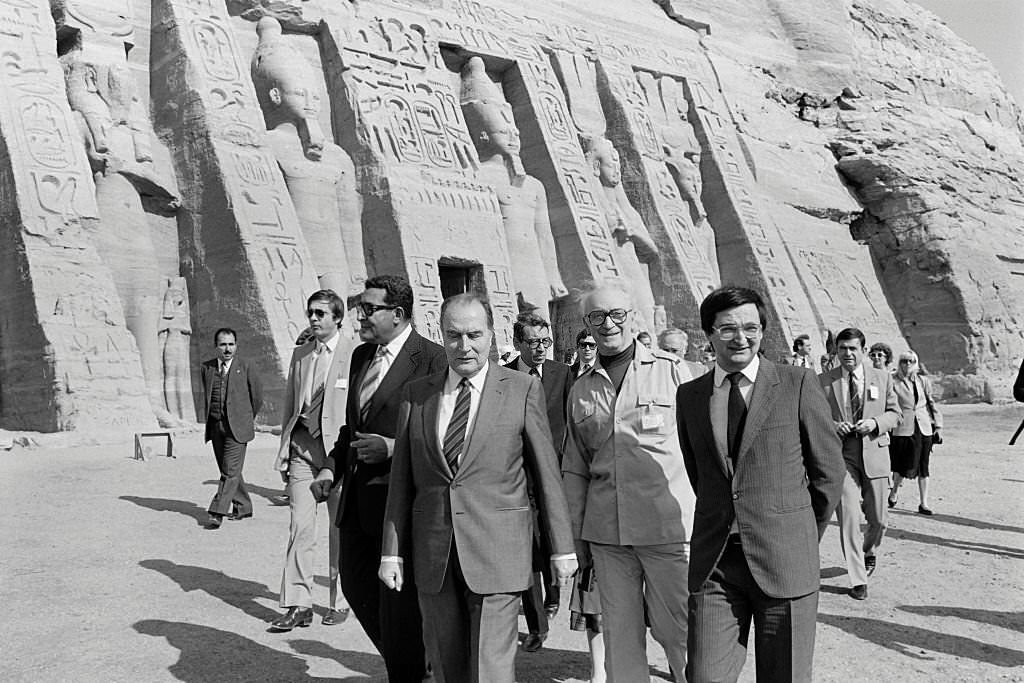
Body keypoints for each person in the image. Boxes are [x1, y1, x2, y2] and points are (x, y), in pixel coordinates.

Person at [379, 292, 577, 683]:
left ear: (491, 334)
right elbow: (402, 480)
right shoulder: (418, 394)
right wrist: (391, 552)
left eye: (474, 334)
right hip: (435, 554)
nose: (464, 346)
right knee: (448, 666)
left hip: (499, 550)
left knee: (491, 669)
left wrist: (562, 547)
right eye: (453, 335)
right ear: (441, 334)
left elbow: (546, 474)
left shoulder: (521, 389)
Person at [676, 286, 845, 682]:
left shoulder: (797, 384)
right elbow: (700, 474)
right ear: (709, 333)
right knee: (704, 676)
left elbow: (828, 474)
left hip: (784, 559)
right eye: (728, 329)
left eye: (751, 328)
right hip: (717, 563)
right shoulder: (690, 396)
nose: (741, 338)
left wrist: (798, 531)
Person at [312, 275, 446, 679]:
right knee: (354, 586)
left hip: (399, 504)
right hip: (356, 502)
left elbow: (443, 432)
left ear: (399, 314)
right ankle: (415, 663)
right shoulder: (360, 357)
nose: (360, 316)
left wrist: (392, 447)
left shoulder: (431, 360)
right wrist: (331, 466)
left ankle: (410, 670)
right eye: (360, 308)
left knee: (398, 604)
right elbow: (351, 429)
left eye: (369, 309)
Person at [562, 284, 698, 682]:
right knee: (620, 640)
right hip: (608, 535)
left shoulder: (674, 371)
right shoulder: (582, 388)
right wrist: (577, 538)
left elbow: (702, 450)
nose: (608, 324)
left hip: (667, 530)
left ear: (632, 317)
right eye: (597, 317)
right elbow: (576, 469)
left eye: (617, 314)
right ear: (586, 324)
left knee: (681, 634)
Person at [271, 290, 350, 631]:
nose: (314, 319)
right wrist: (285, 451)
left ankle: (340, 601)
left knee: (339, 529)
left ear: (337, 318)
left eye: (321, 313)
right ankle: (298, 604)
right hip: (303, 449)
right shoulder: (302, 354)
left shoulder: (355, 354)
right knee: (300, 527)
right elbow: (291, 404)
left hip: (338, 455)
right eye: (311, 313)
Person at [504, 311, 572, 652]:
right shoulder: (503, 377)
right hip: (516, 476)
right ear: (518, 343)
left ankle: (555, 593)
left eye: (545, 341)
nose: (541, 348)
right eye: (533, 342)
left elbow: (572, 424)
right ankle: (536, 623)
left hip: (555, 475)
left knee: (552, 540)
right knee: (525, 547)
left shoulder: (563, 374)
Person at [819, 327, 901, 601]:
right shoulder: (824, 381)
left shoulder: (882, 378)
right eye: (842, 348)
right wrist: (833, 425)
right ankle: (858, 578)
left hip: (875, 452)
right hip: (842, 455)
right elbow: (814, 418)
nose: (847, 354)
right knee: (849, 516)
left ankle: (869, 550)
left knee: (878, 518)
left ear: (863, 351)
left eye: (853, 349)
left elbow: (895, 414)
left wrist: (875, 423)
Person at [200, 328, 262, 529]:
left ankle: (217, 511)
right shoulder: (207, 368)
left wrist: (245, 417)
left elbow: (257, 397)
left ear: (236, 345)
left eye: (231, 344)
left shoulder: (246, 366)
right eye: (223, 344)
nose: (227, 349)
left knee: (230, 470)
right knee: (229, 470)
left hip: (238, 427)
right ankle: (244, 506)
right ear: (216, 346)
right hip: (216, 426)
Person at [888, 351, 942, 515]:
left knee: (923, 466)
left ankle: (923, 503)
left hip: (923, 427)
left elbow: (931, 404)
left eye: (911, 361)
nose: (907, 364)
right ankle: (894, 491)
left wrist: (938, 425)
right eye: (904, 361)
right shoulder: (892, 381)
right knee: (901, 466)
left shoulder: (923, 381)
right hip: (903, 428)